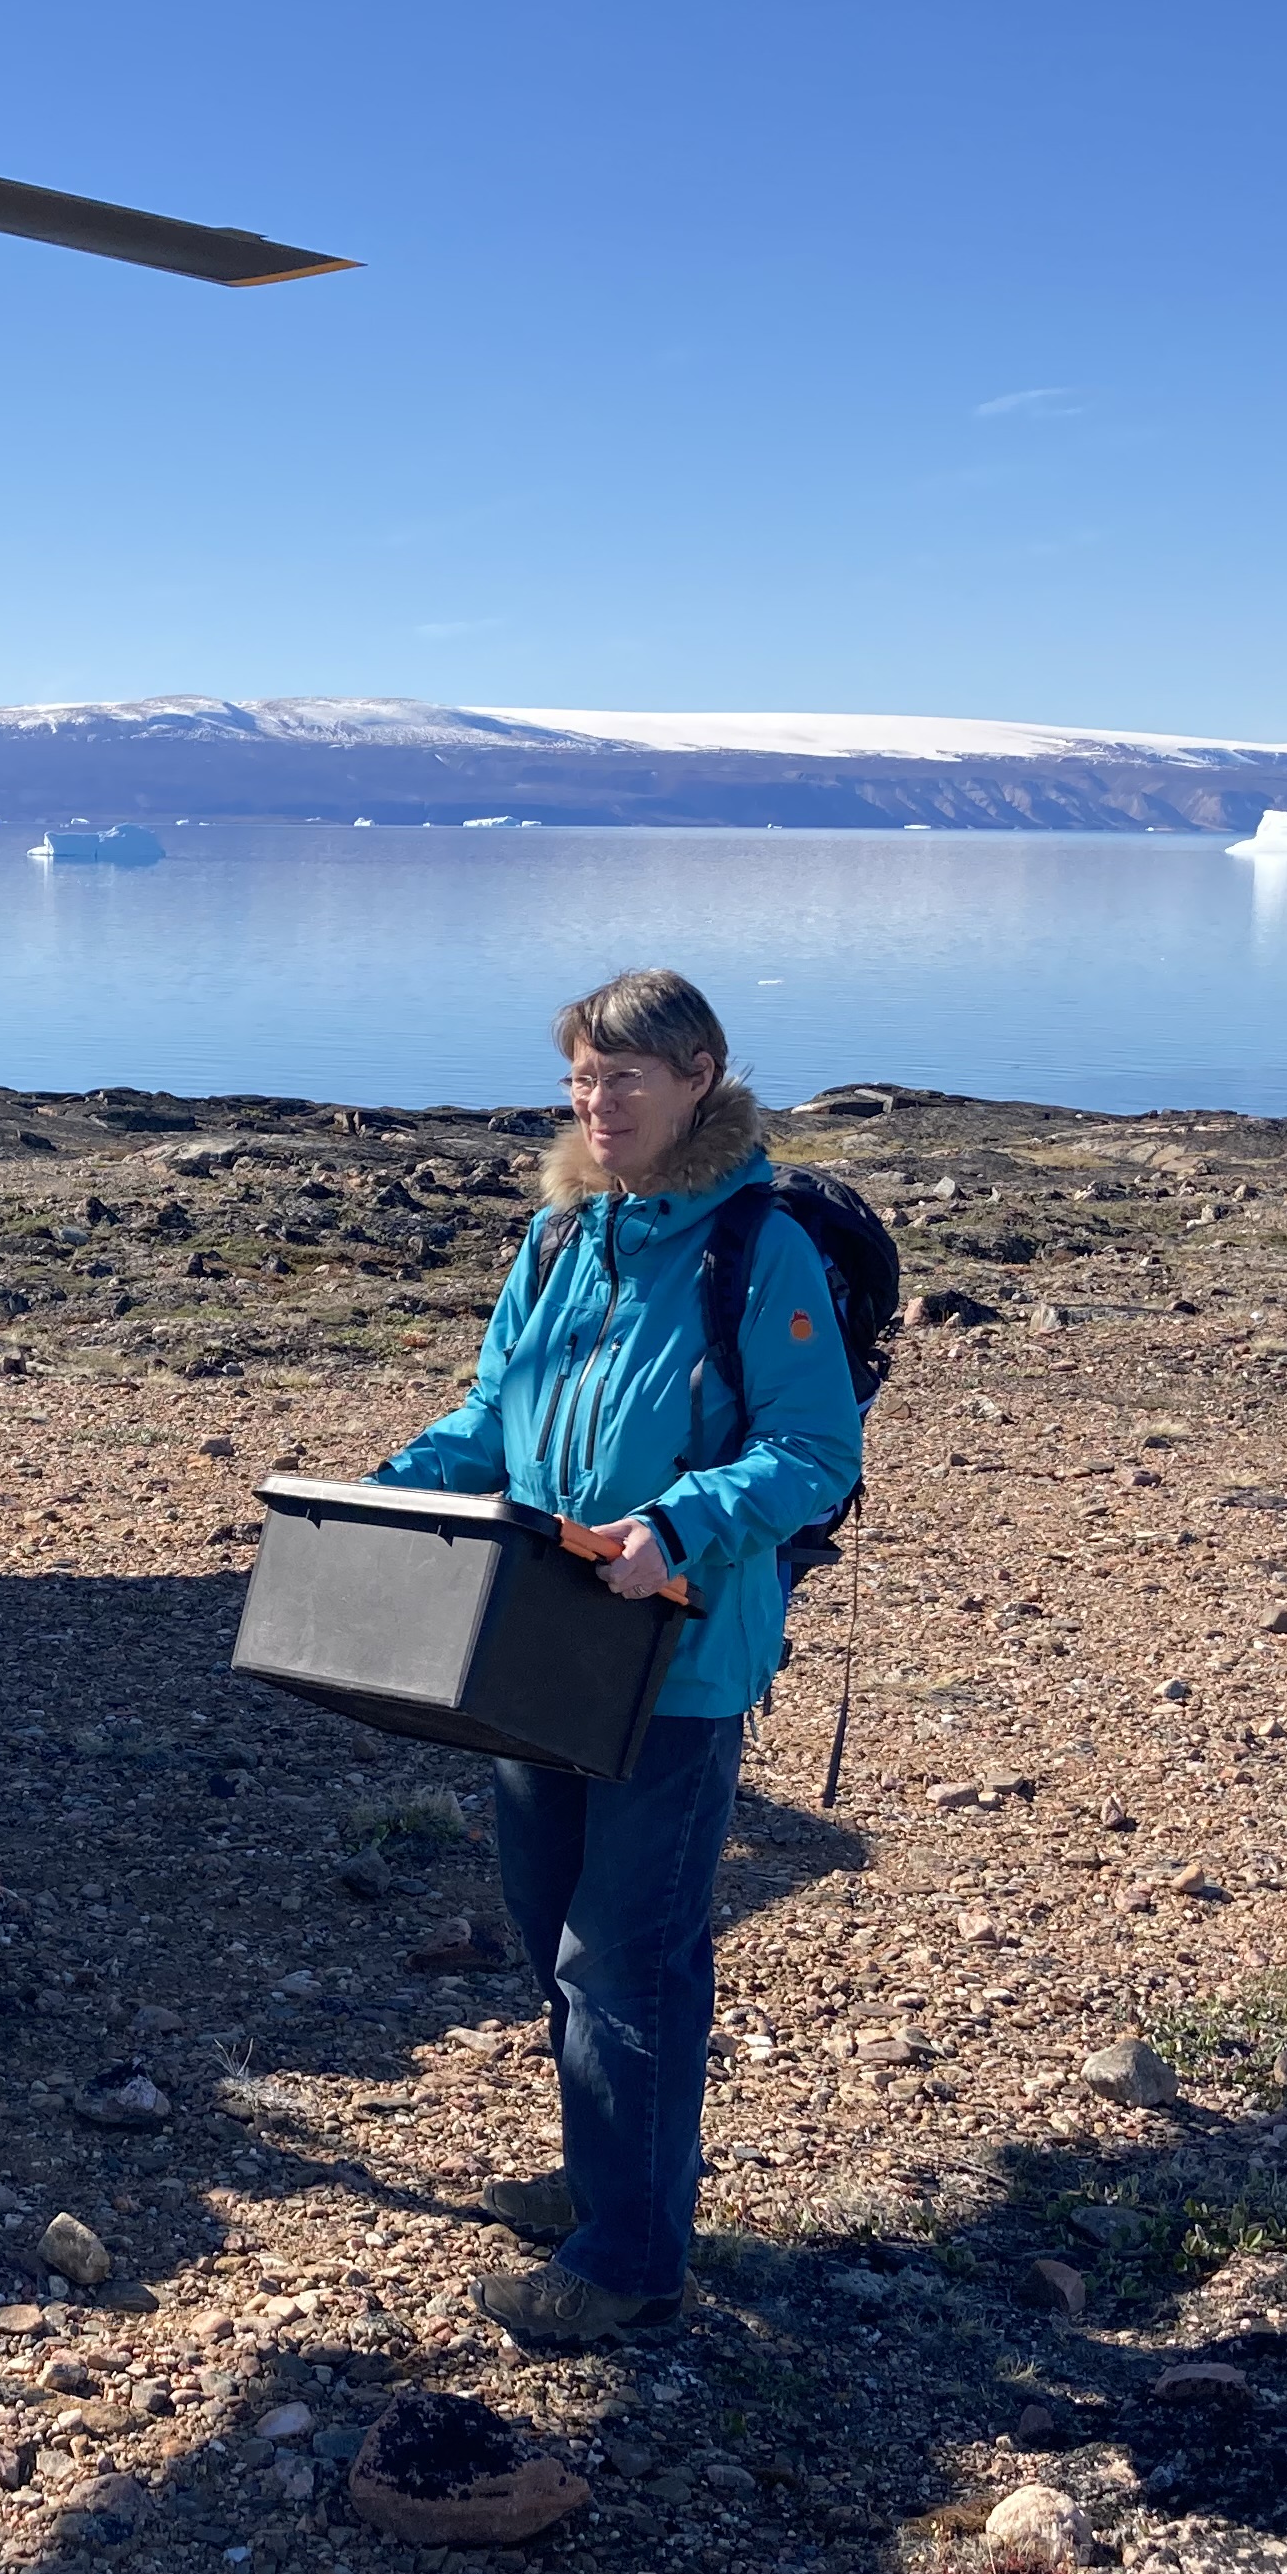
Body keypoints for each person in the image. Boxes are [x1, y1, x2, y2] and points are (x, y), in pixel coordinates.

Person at [375, 970, 862, 2345]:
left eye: (627, 1077)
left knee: (626, 1960)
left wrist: (678, 1524)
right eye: (583, 1078)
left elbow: (815, 1453)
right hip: (538, 1646)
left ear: (700, 1076)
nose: (598, 1102)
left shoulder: (756, 1248)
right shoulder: (557, 1241)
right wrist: (384, 1495)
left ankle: (631, 2259)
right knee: (553, 1934)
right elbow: (493, 1416)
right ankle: (611, 2176)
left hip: (680, 1656)